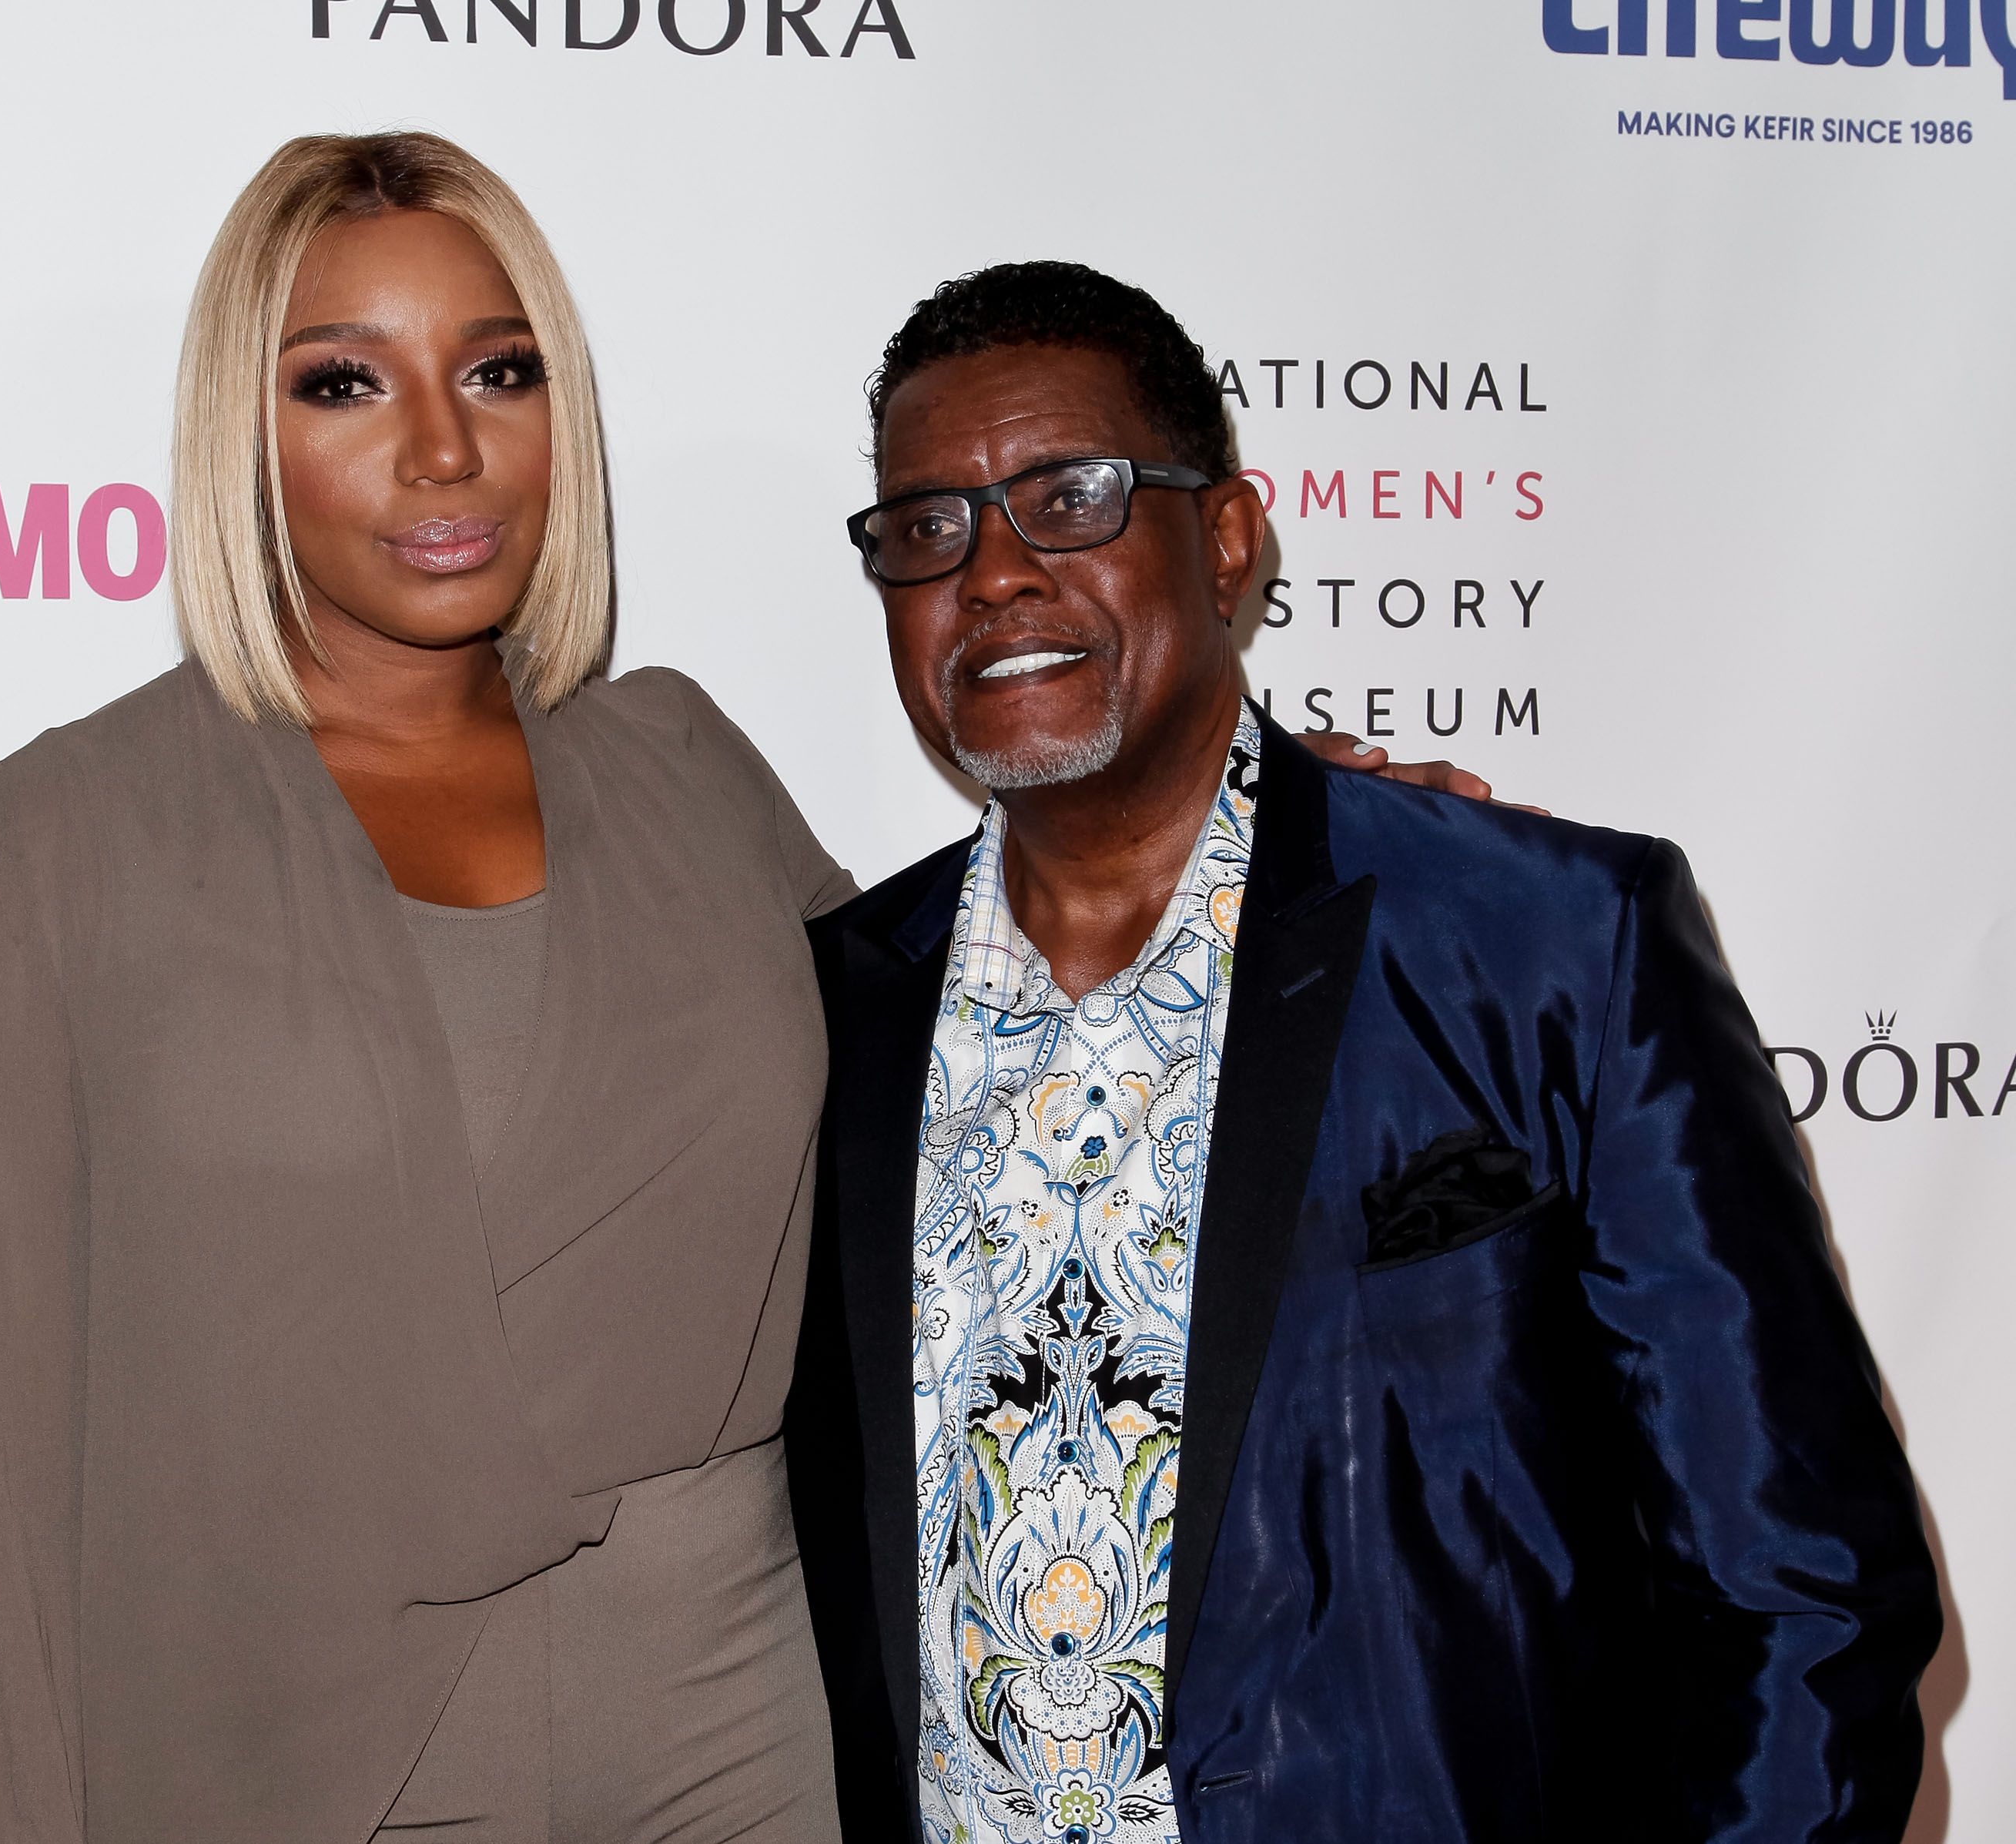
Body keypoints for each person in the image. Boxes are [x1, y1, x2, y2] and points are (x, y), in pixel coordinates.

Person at [0, 139, 1465, 1843]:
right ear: (234, 438)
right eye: (344, 382)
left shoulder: (682, 766)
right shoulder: (50, 856)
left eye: (502, 369)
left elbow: (1005, 1043)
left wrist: (1261, 841)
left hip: (738, 1729)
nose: (441, 445)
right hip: (283, 1753)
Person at [786, 261, 1942, 1844]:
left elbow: (1805, 1595)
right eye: (929, 529)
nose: (992, 572)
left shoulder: (1546, 945)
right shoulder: (830, 1012)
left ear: (1231, 537)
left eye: (1069, 497)